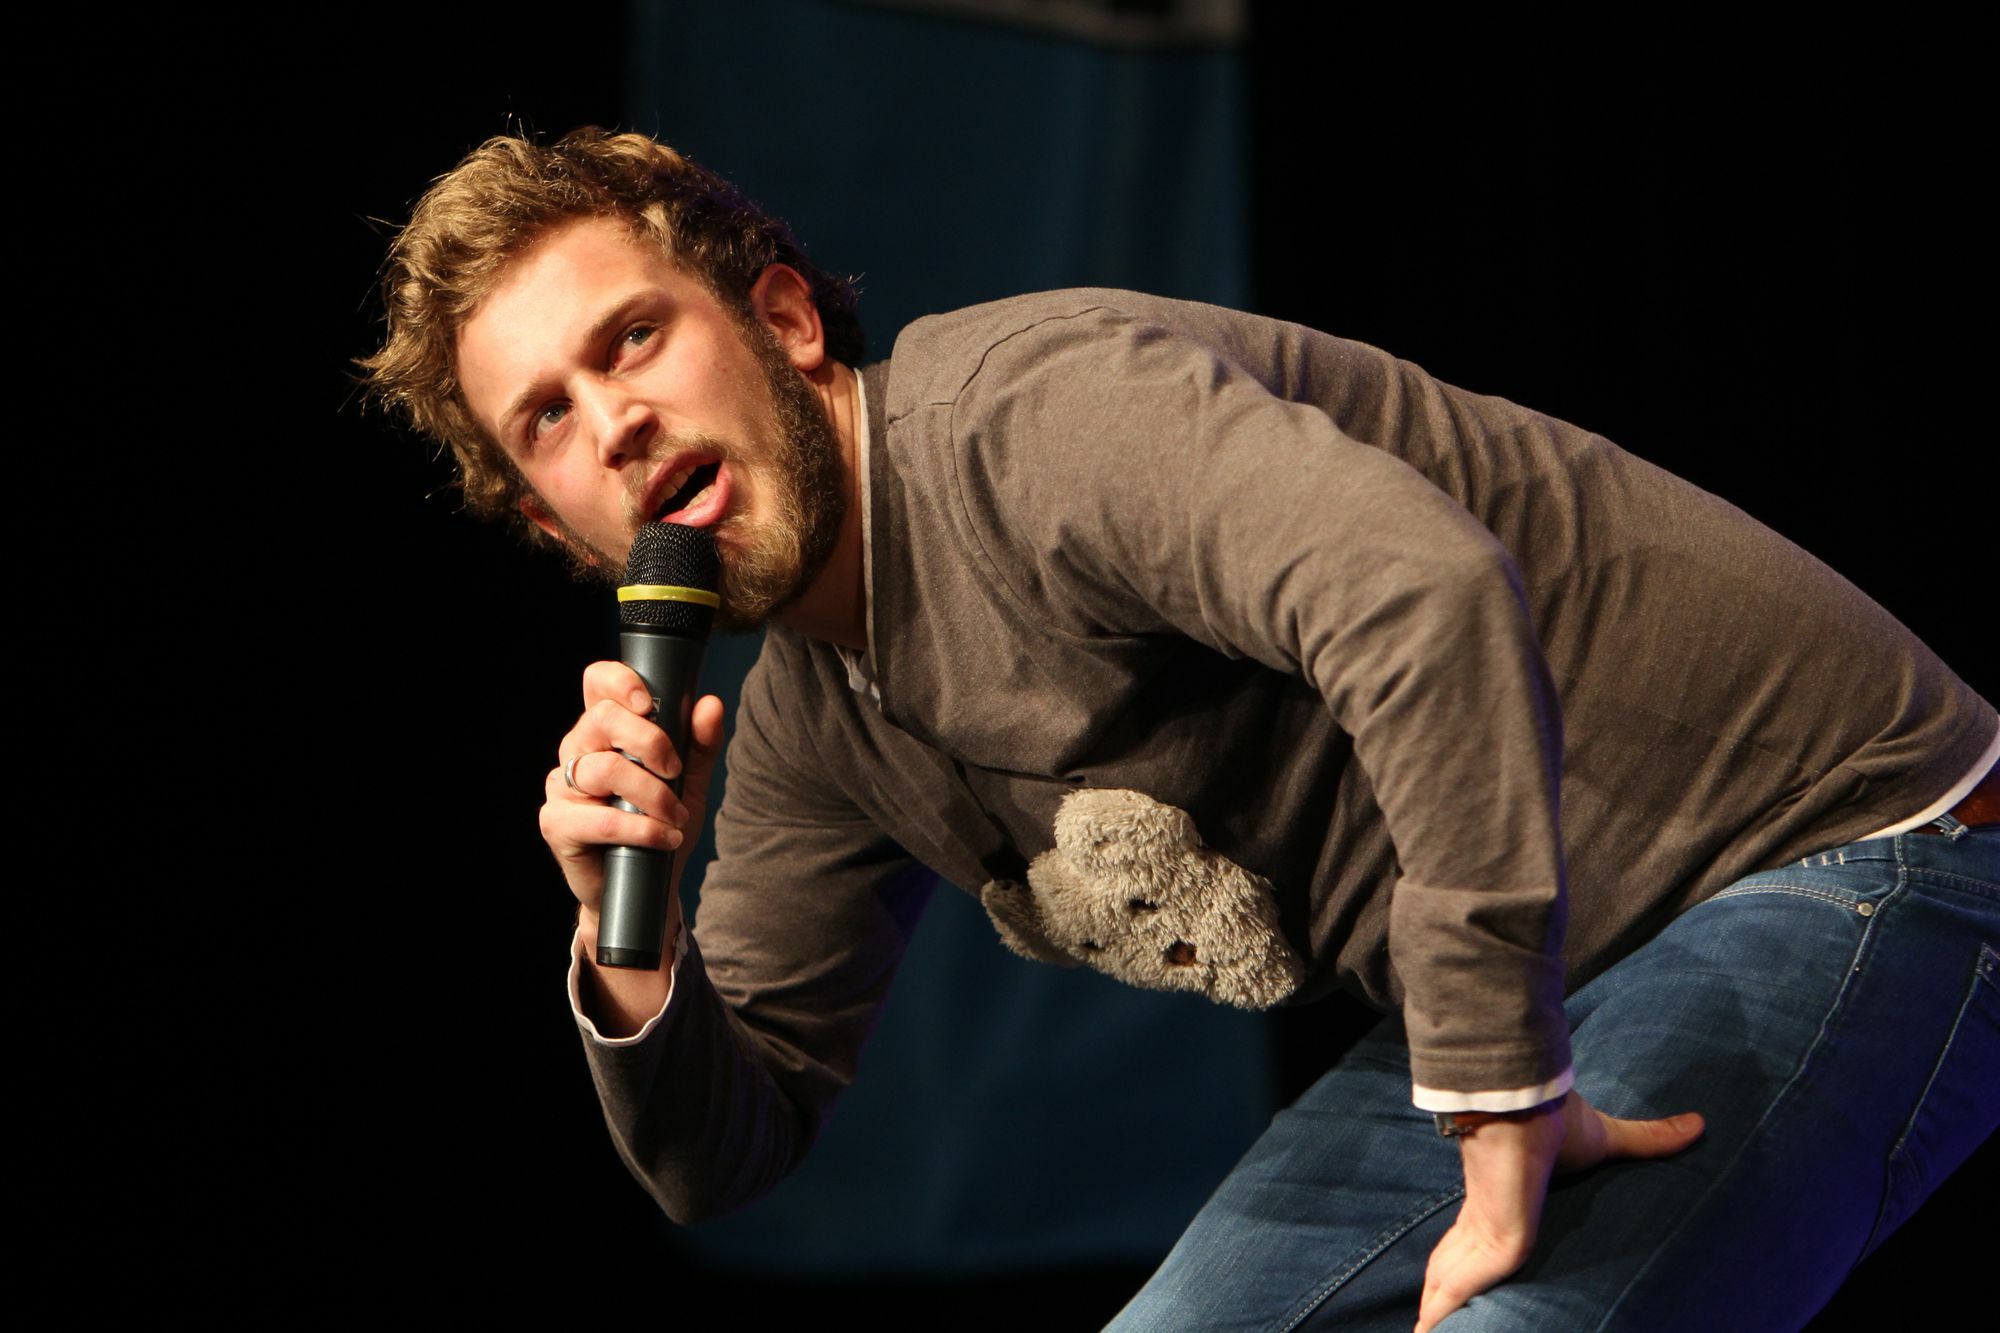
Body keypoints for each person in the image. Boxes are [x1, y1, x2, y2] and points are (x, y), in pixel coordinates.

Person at [363, 128, 1998, 1330]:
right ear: (560, 531)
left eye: (634, 336)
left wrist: (1498, 1078)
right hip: (1554, 975)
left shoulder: (1030, 420)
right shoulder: (810, 720)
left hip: (1853, 841)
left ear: (782, 321)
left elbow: (1419, 594)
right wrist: (633, 942)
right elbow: (726, 1148)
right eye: (549, 418)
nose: (616, 421)